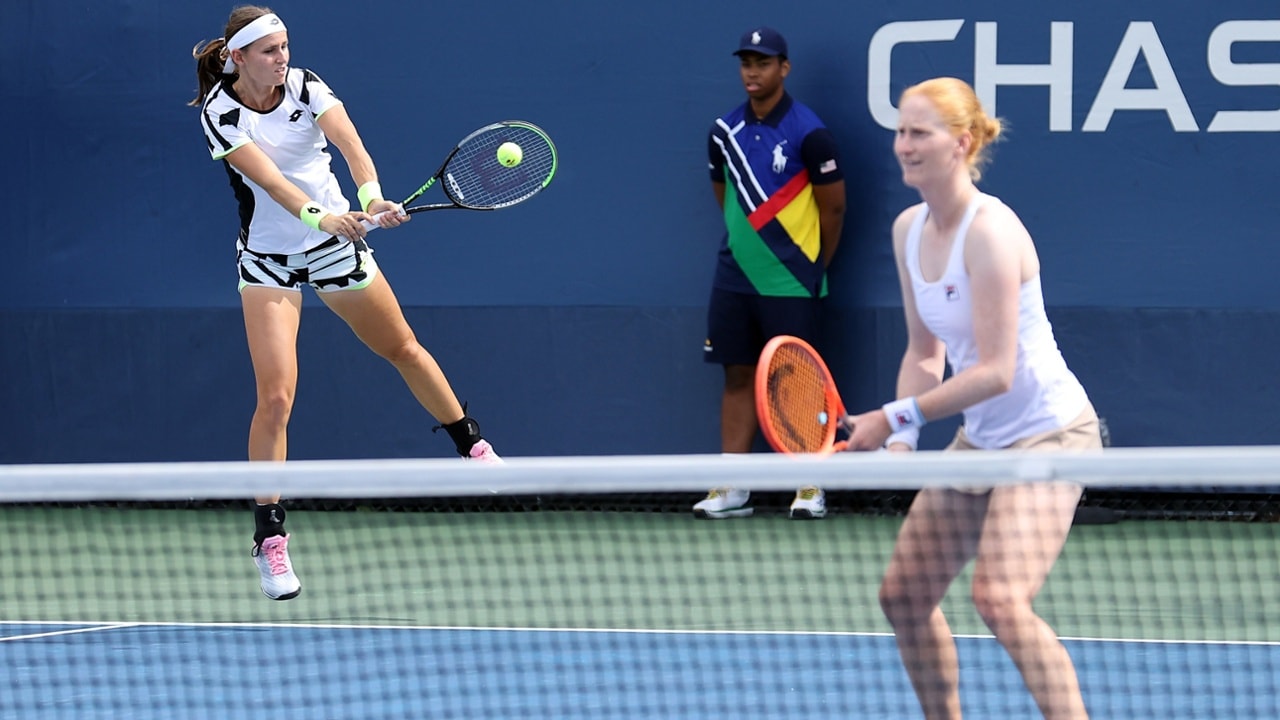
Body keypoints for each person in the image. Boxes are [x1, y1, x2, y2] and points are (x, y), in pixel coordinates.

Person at [190, 6, 501, 601]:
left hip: (338, 249)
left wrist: (372, 198)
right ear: (238, 57)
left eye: (285, 46)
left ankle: (474, 448)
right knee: (276, 396)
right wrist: (322, 217)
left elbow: (351, 145)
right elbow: (271, 183)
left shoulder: (306, 86)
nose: (282, 58)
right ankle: (270, 538)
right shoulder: (219, 113)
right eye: (269, 50)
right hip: (269, 261)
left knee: (403, 348)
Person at [842, 77, 1099, 718]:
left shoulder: (991, 232)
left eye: (919, 133)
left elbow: (995, 372)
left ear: (960, 143)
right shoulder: (908, 230)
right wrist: (902, 443)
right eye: (900, 132)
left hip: (1050, 434)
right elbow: (924, 355)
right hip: (980, 441)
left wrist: (891, 417)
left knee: (1000, 599)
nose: (904, 145)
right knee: (903, 598)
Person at [695, 27, 846, 520]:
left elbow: (834, 208)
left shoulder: (810, 132)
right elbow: (724, 197)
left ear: (784, 68)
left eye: (763, 63)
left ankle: (809, 484)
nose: (752, 72)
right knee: (736, 374)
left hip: (792, 279)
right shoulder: (723, 133)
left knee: (799, 379)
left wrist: (811, 266)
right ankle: (733, 487)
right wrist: (750, 244)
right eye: (746, 63)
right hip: (734, 276)